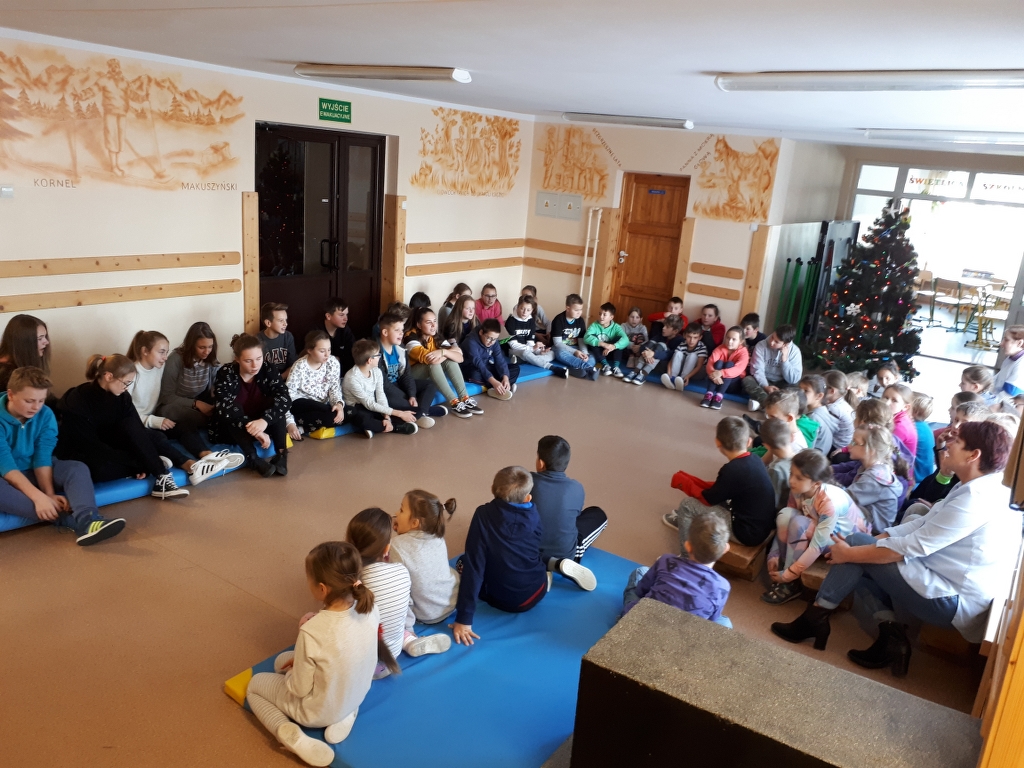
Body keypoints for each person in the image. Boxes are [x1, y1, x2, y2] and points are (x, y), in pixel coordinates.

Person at [771, 422, 1020, 677]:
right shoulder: (980, 486)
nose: (948, 444)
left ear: (973, 455)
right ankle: (890, 637)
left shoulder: (975, 498)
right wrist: (876, 540)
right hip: (946, 581)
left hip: (953, 601)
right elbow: (921, 523)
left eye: (957, 441)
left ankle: (814, 619)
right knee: (863, 551)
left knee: (856, 548)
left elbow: (911, 547)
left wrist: (852, 551)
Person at [246, 541, 389, 766]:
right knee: (282, 661)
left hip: (315, 713)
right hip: (356, 693)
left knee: (255, 685)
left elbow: (299, 689)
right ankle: (347, 712)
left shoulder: (312, 631)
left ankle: (288, 733)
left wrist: (294, 672)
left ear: (322, 589)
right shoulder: (370, 606)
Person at [0, 366, 125, 546]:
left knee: (77, 468)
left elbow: (42, 456)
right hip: (5, 475)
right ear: (11, 395)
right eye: (29, 401)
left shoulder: (45, 414)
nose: (36, 407)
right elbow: (6, 466)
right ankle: (70, 521)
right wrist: (39, 498)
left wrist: (49, 494)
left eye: (41, 400)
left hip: (35, 470)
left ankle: (88, 519)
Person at [56, 354, 190, 499]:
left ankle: (161, 474)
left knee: (150, 435)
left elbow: (137, 429)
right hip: (84, 449)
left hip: (110, 443)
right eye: (126, 383)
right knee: (98, 470)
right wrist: (137, 462)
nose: (127, 388)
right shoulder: (77, 399)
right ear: (108, 376)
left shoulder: (123, 397)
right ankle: (149, 463)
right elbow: (90, 445)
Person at [127, 330, 240, 485]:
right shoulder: (131, 375)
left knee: (184, 426)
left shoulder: (158, 368)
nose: (165, 357)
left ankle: (208, 456)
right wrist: (152, 421)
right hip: (136, 425)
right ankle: (191, 466)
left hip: (154, 420)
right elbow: (125, 416)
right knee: (156, 438)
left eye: (166, 352)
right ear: (145, 351)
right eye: (161, 352)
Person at [346, 508, 449, 679]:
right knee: (396, 622)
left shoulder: (349, 581)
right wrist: (408, 628)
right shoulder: (401, 571)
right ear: (387, 548)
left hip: (362, 657)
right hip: (393, 648)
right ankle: (409, 641)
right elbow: (406, 607)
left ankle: (374, 665)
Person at [451, 466, 549, 646]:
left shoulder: (483, 514)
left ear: (492, 489)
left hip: (503, 600)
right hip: (537, 589)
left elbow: (474, 566)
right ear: (528, 498)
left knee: (462, 562)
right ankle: (551, 565)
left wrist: (464, 618)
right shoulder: (533, 513)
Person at [761, 450, 869, 606]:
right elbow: (786, 522)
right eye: (791, 474)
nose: (791, 480)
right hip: (820, 531)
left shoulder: (828, 503)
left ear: (816, 483)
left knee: (799, 524)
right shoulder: (799, 489)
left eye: (799, 478)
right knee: (785, 514)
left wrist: (789, 574)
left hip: (843, 542)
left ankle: (790, 583)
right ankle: (784, 564)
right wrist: (774, 553)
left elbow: (816, 546)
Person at [663, 416, 776, 549]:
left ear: (717, 442)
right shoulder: (755, 459)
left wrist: (685, 483)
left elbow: (709, 499)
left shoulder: (731, 469)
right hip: (761, 526)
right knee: (721, 499)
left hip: (746, 533)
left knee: (687, 505)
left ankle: (687, 556)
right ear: (749, 442)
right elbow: (722, 490)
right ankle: (687, 521)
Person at [622, 511, 732, 627]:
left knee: (640, 571)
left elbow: (641, 591)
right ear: (725, 549)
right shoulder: (723, 586)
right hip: (682, 636)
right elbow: (712, 620)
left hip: (641, 626)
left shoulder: (666, 561)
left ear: (687, 546)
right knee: (725, 622)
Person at [211, 334, 291, 478]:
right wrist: (255, 430)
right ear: (237, 359)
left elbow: (285, 398)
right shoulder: (226, 372)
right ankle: (252, 458)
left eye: (259, 358)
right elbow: (223, 406)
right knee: (232, 409)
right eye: (248, 361)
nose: (255, 365)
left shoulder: (268, 369)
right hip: (236, 429)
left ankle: (281, 454)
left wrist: (264, 421)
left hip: (260, 423)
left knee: (277, 404)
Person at [531, 435, 605, 586]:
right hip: (564, 553)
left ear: (540, 463)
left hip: (525, 548)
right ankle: (558, 563)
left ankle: (543, 565)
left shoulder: (526, 481)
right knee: (598, 514)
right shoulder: (576, 488)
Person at [390, 490, 460, 628]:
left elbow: (398, 586)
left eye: (401, 510)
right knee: (451, 569)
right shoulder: (438, 537)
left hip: (425, 615)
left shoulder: (396, 545)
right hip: (452, 603)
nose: (396, 513)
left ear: (415, 523)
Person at [405, 308, 479, 419]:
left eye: (434, 321)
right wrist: (448, 353)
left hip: (429, 371)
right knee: (435, 363)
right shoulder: (410, 337)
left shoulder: (435, 336)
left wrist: (443, 352)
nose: (433, 325)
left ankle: (465, 398)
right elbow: (430, 359)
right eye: (428, 322)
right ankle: (454, 402)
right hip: (411, 376)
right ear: (419, 325)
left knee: (450, 359)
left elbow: (460, 357)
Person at [376, 313, 447, 429]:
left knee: (430, 385)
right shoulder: (375, 351)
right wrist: (406, 396)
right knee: (398, 399)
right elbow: (383, 384)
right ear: (385, 332)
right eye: (397, 330)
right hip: (383, 390)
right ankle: (423, 412)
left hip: (398, 385)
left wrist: (412, 395)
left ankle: (420, 413)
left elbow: (406, 375)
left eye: (402, 330)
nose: (401, 333)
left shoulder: (400, 348)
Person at [342, 339, 419, 438]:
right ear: (370, 360)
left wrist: (387, 417)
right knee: (362, 419)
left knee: (416, 411)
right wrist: (399, 414)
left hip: (373, 405)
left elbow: (380, 395)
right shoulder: (352, 378)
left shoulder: (377, 371)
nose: (380, 356)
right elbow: (368, 403)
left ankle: (376, 427)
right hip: (359, 407)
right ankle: (394, 427)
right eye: (378, 355)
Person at [158, 321, 220, 436]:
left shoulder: (210, 358)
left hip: (200, 400)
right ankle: (210, 422)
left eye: (210, 347)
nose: (207, 351)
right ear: (191, 345)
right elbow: (166, 396)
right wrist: (196, 404)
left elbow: (217, 382)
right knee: (169, 411)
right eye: (202, 347)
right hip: (177, 404)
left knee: (224, 409)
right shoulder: (175, 359)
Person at [285, 331, 345, 437]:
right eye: (322, 351)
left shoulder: (333, 363)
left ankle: (306, 427)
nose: (327, 354)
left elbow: (334, 388)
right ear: (309, 350)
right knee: (329, 415)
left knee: (350, 412)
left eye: (329, 349)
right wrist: (290, 422)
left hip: (322, 405)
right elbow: (287, 396)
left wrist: (338, 404)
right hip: (300, 403)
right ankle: (296, 422)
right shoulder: (299, 366)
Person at [845, 424, 903, 534]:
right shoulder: (878, 468)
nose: (849, 445)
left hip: (874, 533)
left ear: (871, 450)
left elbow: (843, 499)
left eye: (854, 442)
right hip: (868, 522)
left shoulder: (873, 479)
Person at [503, 295, 567, 378]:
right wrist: (532, 349)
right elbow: (513, 345)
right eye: (522, 308)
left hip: (528, 350)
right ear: (518, 307)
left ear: (532, 310)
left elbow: (530, 342)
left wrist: (539, 351)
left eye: (528, 310)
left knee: (551, 353)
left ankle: (524, 361)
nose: (524, 312)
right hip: (514, 351)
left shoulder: (531, 321)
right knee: (526, 353)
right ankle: (552, 367)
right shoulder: (510, 321)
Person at [742, 324, 802, 410]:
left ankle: (764, 404)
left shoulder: (795, 352)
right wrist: (766, 386)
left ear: (786, 344)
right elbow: (757, 370)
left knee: (796, 390)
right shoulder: (761, 345)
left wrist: (785, 360)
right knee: (747, 380)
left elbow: (793, 379)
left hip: (782, 384)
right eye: (772, 337)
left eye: (777, 342)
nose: (772, 342)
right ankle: (771, 406)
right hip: (764, 381)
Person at [460, 319, 520, 401]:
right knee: (475, 375)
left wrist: (505, 378)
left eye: (495, 339)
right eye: (489, 338)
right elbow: (479, 364)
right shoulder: (470, 341)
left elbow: (500, 360)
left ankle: (498, 387)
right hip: (471, 368)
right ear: (481, 332)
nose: (491, 342)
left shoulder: (493, 341)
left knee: (515, 368)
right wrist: (493, 381)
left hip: (486, 365)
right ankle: (498, 387)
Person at [550, 293, 598, 380]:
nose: (579, 312)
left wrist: (584, 353)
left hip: (576, 348)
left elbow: (581, 340)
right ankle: (587, 368)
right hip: (562, 348)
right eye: (576, 310)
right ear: (568, 308)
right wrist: (575, 352)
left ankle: (577, 368)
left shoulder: (580, 320)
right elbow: (557, 343)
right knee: (560, 353)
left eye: (581, 309)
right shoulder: (558, 320)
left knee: (592, 355)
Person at [627, 314, 685, 386]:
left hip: (664, 366)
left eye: (667, 327)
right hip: (650, 361)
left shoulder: (680, 340)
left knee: (661, 345)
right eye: (664, 325)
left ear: (675, 331)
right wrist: (646, 353)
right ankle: (636, 371)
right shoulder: (661, 335)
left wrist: (654, 354)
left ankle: (643, 374)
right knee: (651, 345)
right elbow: (647, 345)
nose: (663, 328)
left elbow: (670, 354)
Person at [699, 326, 748, 410]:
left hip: (732, 385)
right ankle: (709, 394)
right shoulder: (720, 348)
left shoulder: (744, 352)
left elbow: (738, 369)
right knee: (718, 363)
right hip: (716, 380)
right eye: (728, 338)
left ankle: (719, 397)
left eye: (734, 339)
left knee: (729, 364)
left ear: (741, 341)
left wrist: (721, 373)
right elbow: (710, 363)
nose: (729, 341)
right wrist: (714, 375)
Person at [0, 314, 51, 391]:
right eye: (40, 338)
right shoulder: (5, 375)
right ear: (23, 343)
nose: (46, 342)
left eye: (45, 336)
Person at [583, 302, 630, 377]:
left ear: (611, 317)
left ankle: (616, 367)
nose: (601, 316)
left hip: (611, 352)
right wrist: (604, 344)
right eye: (600, 314)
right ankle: (605, 365)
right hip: (599, 352)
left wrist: (613, 346)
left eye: (604, 315)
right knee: (592, 339)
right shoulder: (594, 325)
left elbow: (626, 340)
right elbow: (586, 338)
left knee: (620, 340)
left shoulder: (616, 327)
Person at [760, 417, 796, 510]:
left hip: (781, 511)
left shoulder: (776, 469)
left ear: (766, 446)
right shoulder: (800, 457)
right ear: (792, 437)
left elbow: (773, 501)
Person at [660, 321, 707, 391]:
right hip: (681, 367)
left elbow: (699, 366)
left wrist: (688, 377)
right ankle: (672, 378)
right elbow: (672, 360)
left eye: (695, 338)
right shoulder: (682, 344)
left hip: (695, 372)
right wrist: (669, 373)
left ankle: (682, 380)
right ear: (684, 335)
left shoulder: (702, 347)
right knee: (678, 353)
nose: (691, 340)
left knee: (693, 355)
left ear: (700, 337)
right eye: (689, 337)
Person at [798, 374, 836, 453]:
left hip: (812, 457)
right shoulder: (822, 409)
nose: (800, 394)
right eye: (800, 389)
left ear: (819, 396)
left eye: (806, 391)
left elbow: (806, 446)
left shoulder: (813, 418)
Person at [317, 298, 355, 377]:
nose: (346, 318)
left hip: (344, 374)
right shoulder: (316, 332)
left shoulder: (345, 330)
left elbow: (352, 355)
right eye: (341, 315)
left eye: (346, 314)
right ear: (328, 316)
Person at [257, 302, 297, 377]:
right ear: (268, 323)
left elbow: (293, 365)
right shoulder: (257, 340)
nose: (285, 324)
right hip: (265, 380)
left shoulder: (288, 337)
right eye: (281, 320)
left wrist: (279, 380)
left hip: (285, 378)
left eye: (285, 320)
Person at [883, 382, 918, 464]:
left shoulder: (900, 426)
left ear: (905, 407)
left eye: (894, 401)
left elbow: (882, 450)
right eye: (886, 397)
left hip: (895, 468)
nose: (887, 403)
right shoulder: (892, 416)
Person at [822, 370, 856, 454]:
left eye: (821, 386)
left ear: (832, 391)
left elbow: (823, 431)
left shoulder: (833, 409)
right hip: (845, 444)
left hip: (836, 447)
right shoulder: (842, 403)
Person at [993, 326, 1024, 409]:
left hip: (1006, 407)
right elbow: (998, 378)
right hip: (998, 400)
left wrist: (988, 401)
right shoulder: (1010, 358)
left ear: (1019, 343)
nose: (1001, 343)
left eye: (1006, 340)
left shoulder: (1021, 365)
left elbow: (1009, 395)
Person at [911, 392, 936, 483]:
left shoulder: (913, 429)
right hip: (925, 477)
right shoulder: (923, 426)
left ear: (915, 412)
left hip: (916, 480)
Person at [620, 307, 649, 374]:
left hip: (638, 351)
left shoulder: (643, 327)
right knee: (632, 336)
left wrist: (639, 347)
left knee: (640, 336)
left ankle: (637, 358)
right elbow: (621, 339)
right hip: (627, 350)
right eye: (632, 317)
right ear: (628, 317)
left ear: (641, 319)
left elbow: (647, 341)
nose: (634, 320)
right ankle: (631, 356)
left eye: (637, 317)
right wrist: (632, 346)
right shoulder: (623, 326)